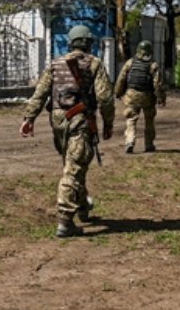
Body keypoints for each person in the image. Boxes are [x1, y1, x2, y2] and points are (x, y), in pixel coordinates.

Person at [19, 24, 115, 238]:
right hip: (79, 120)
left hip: (58, 121)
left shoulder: (55, 64)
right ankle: (65, 219)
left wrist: (29, 118)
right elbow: (105, 97)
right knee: (73, 168)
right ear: (88, 43)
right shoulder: (94, 64)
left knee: (72, 162)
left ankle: (82, 206)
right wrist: (108, 122)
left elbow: (40, 93)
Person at [114, 40, 166, 154]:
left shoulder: (130, 62)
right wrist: (161, 97)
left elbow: (121, 79)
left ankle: (129, 142)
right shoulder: (153, 65)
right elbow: (158, 84)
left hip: (131, 95)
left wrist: (118, 92)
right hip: (147, 96)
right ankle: (149, 144)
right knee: (149, 121)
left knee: (131, 120)